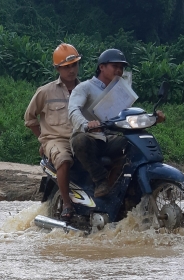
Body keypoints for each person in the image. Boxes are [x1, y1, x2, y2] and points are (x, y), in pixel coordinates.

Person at [68, 49, 163, 197]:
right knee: (80, 140)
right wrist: (86, 124)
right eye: (115, 66)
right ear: (102, 67)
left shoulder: (121, 91)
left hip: (109, 138)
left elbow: (129, 114)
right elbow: (73, 109)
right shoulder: (85, 87)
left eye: (122, 67)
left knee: (133, 143)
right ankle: (100, 180)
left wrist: (153, 118)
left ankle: (124, 185)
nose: (119, 70)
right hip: (89, 137)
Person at [24, 43, 82, 220]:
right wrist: (43, 141)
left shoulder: (85, 90)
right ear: (58, 68)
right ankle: (66, 203)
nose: (71, 70)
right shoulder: (45, 92)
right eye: (66, 67)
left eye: (74, 65)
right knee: (64, 160)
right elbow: (30, 118)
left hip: (81, 138)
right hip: (57, 140)